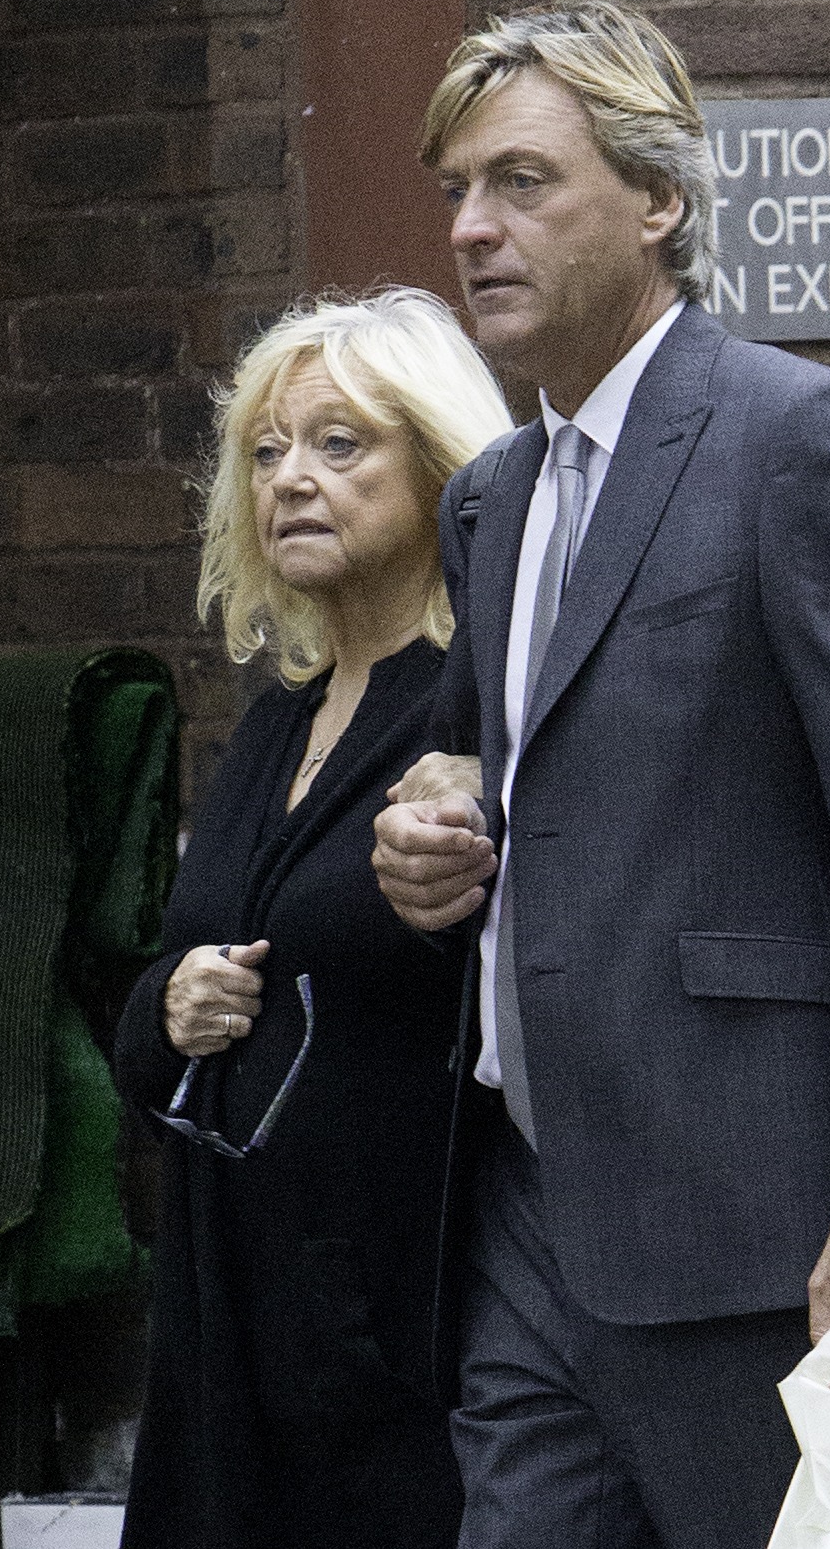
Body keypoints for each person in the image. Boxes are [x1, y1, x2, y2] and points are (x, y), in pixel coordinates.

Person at [371, 0, 830, 1549]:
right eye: (456, 189)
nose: (470, 228)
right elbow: (511, 767)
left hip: (758, 1238)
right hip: (522, 1220)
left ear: (658, 199)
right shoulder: (494, 498)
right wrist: (436, 834)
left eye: (521, 183)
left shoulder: (801, 438)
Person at [114, 287, 513, 1549]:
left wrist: (483, 828)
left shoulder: (478, 702)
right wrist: (170, 1002)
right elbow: (184, 969)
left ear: (441, 467)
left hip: (398, 1340)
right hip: (229, 1315)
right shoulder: (281, 708)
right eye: (268, 450)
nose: (293, 477)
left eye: (342, 444)